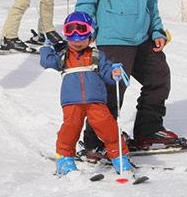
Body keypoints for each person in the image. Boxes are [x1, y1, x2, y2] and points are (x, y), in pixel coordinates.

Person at [75, 0, 180, 157]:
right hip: (113, 37)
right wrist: (84, 28)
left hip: (142, 38)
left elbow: (150, 1)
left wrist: (156, 30)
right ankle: (96, 140)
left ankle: (148, 130)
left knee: (158, 78)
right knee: (112, 91)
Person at [40, 11, 132, 175]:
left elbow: (107, 73)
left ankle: (120, 157)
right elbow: (47, 62)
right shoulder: (63, 56)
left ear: (90, 36)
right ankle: (64, 159)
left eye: (82, 38)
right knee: (70, 129)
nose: (77, 42)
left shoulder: (97, 55)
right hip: (71, 102)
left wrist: (114, 73)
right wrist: (46, 49)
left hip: (95, 101)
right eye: (72, 38)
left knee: (108, 128)